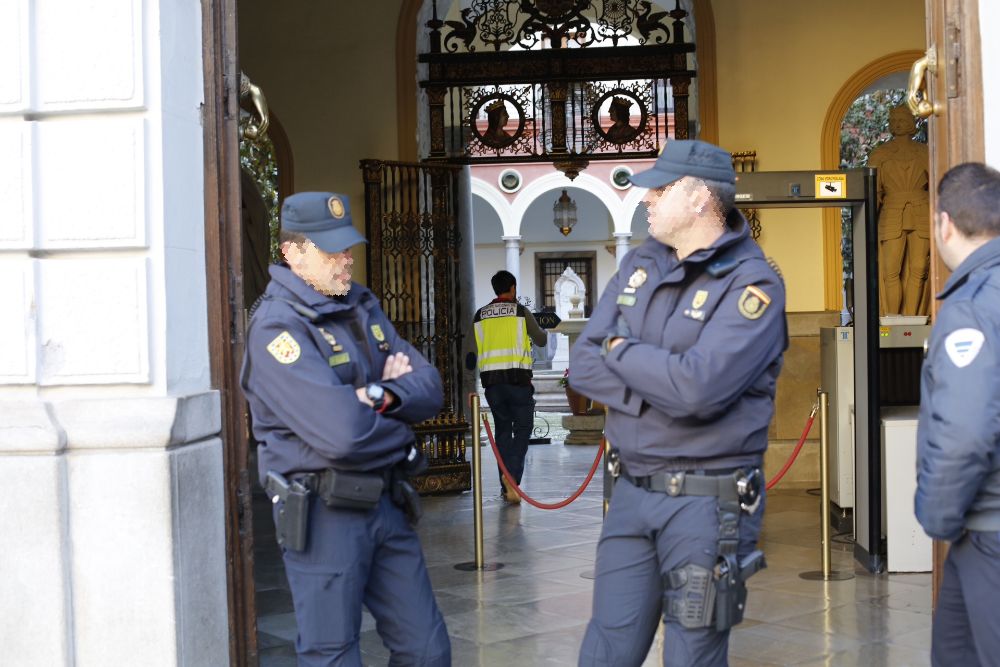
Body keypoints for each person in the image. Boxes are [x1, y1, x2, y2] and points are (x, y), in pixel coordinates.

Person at [570, 140, 787, 666]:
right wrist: (662, 386)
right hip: (630, 494)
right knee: (604, 652)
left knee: (692, 657)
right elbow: (584, 364)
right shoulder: (640, 263)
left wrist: (622, 351)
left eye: (660, 189)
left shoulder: (753, 283)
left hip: (706, 506)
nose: (647, 198)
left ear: (698, 198)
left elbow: (698, 390)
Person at [240, 191, 451, 666]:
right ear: (292, 252)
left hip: (387, 504)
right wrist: (401, 425)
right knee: (333, 656)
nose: (345, 258)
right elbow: (343, 435)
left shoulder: (361, 305)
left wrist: (376, 396)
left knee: (427, 650)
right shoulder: (277, 328)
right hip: (325, 513)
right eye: (330, 249)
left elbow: (430, 387)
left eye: (347, 246)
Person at [914, 162, 1000, 667]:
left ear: (944, 223)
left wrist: (937, 515)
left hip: (989, 533)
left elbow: (965, 433)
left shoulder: (971, 307)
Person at [473, 270, 547, 504]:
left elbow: (472, 350)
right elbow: (541, 340)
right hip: (518, 381)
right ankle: (512, 478)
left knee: (503, 432)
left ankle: (507, 488)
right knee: (523, 428)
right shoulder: (520, 311)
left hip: (492, 385)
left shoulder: (480, 315)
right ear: (513, 288)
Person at [869, 105, 931, 316]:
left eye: (902, 119)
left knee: (919, 268)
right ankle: (893, 317)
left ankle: (913, 318)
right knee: (891, 270)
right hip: (892, 211)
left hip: (921, 209)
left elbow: (937, 185)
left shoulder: (925, 152)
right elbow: (874, 191)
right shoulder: (880, 154)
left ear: (912, 123)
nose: (898, 123)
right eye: (894, 120)